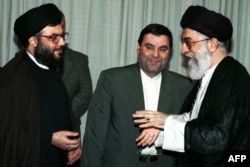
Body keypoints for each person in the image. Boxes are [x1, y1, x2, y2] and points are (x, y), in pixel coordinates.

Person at [133, 6, 250, 167]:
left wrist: (167, 121)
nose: (183, 50)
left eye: (188, 42)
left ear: (212, 44)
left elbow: (217, 137)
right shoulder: (208, 75)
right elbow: (196, 120)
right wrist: (161, 130)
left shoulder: (234, 76)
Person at [82, 23, 192, 167]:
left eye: (162, 49)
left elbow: (191, 134)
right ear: (138, 48)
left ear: (169, 53)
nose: (155, 55)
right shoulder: (112, 80)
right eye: (149, 47)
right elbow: (94, 137)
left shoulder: (184, 86)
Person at [0, 3, 81, 167]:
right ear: (33, 40)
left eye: (63, 36)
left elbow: (62, 115)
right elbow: (8, 132)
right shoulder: (13, 76)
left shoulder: (51, 70)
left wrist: (74, 145)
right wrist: (50, 138)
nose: (62, 43)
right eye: (53, 37)